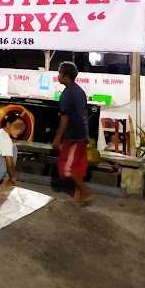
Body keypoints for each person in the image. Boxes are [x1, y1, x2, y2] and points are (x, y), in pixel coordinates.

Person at [52, 61, 91, 202]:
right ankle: (78, 195)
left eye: (59, 73)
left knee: (67, 167)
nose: (58, 76)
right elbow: (84, 114)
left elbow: (65, 118)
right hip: (82, 135)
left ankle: (85, 191)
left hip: (73, 136)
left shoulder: (67, 94)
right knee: (77, 165)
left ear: (65, 75)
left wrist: (57, 138)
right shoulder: (79, 90)